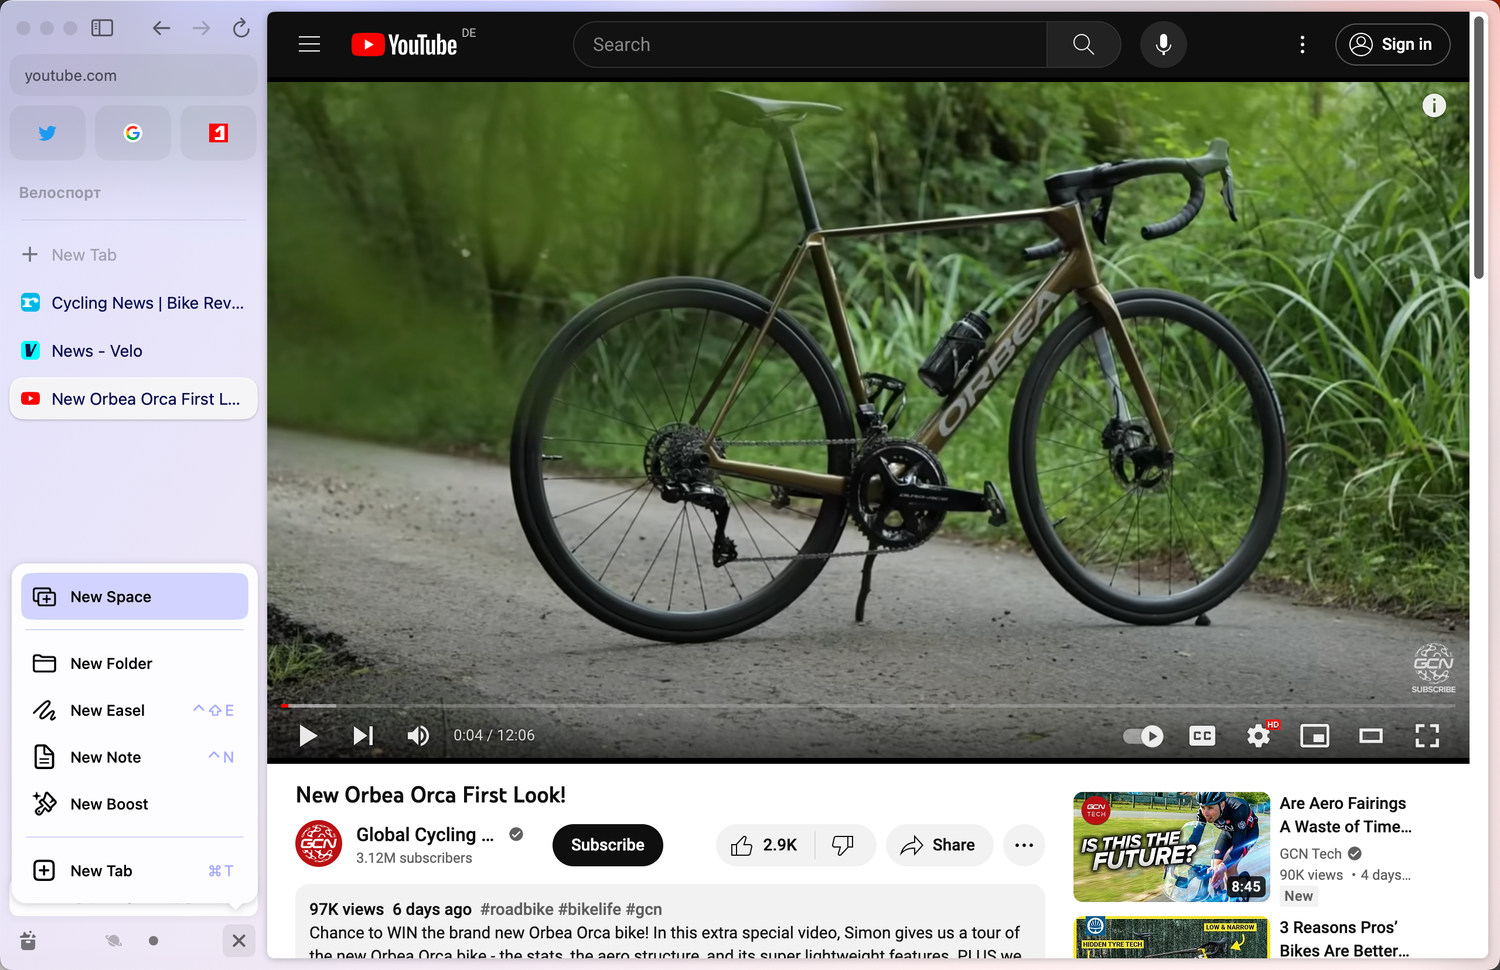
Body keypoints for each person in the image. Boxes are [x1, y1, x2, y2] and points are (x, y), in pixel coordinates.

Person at [1193, 791, 1260, 895]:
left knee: (1229, 867)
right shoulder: (1203, 812)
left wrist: (1223, 866)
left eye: (1210, 808)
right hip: (1228, 832)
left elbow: (1238, 845)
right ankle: (1219, 895)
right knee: (1214, 868)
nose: (1205, 813)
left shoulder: (1239, 808)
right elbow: (1194, 837)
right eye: (1203, 807)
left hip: (1247, 834)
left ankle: (1236, 898)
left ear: (1222, 805)